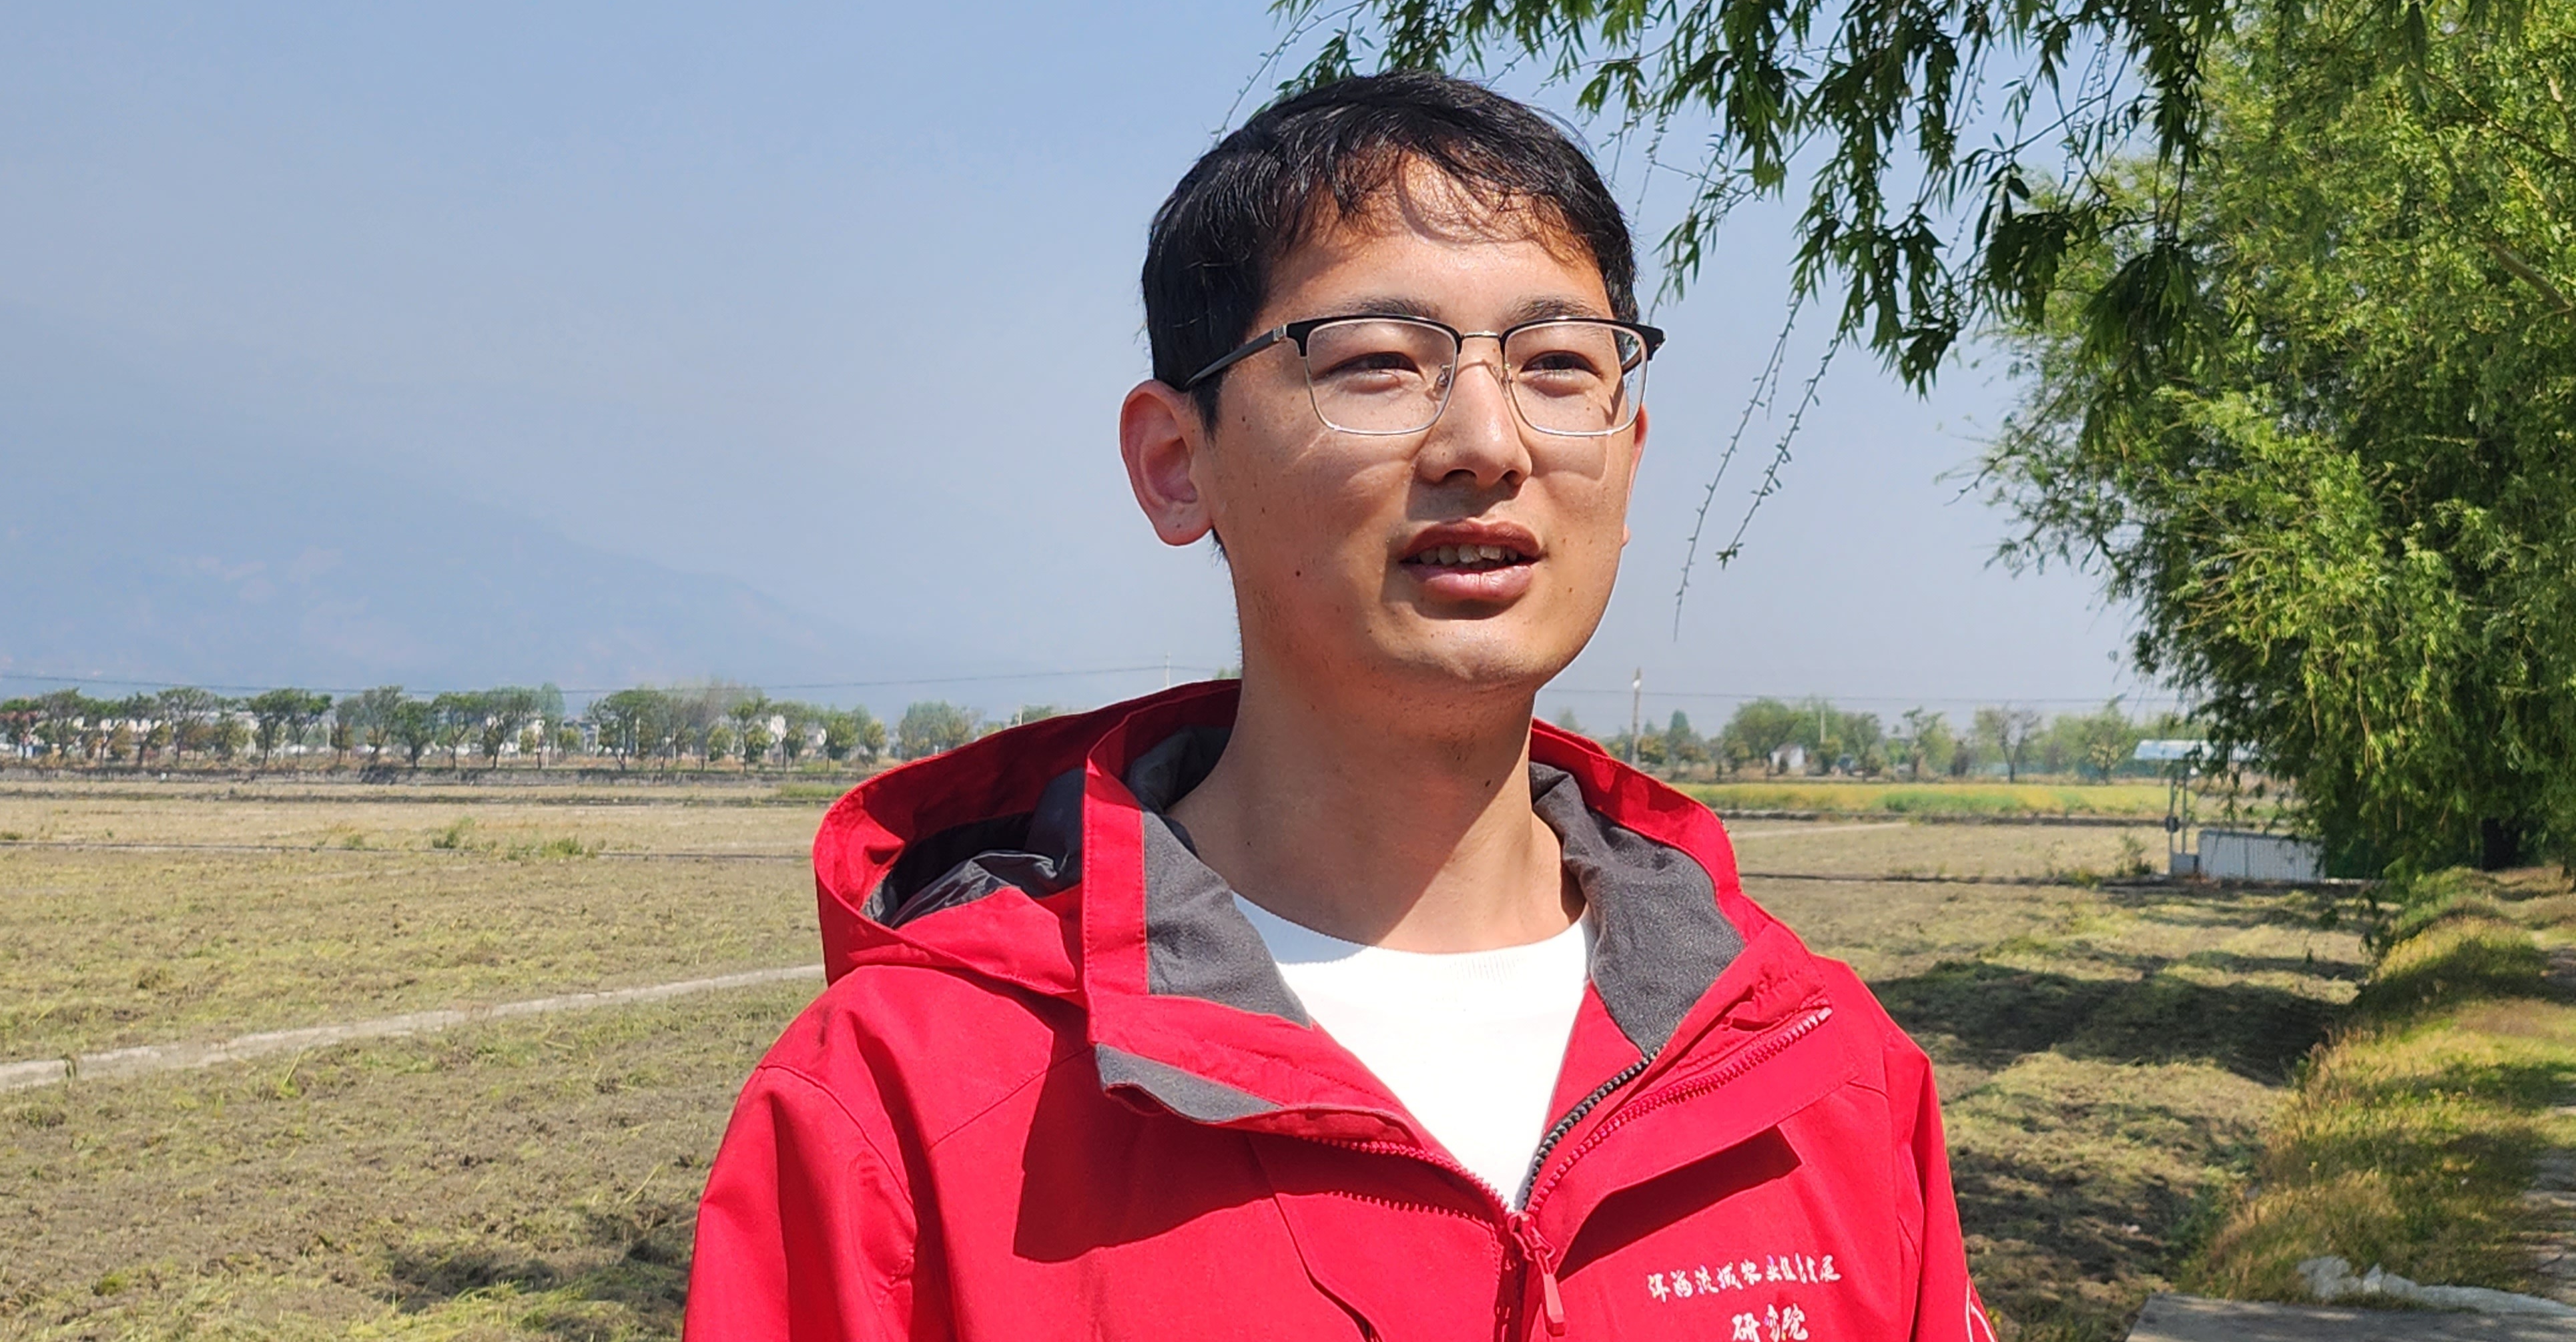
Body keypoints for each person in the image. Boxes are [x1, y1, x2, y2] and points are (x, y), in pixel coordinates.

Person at [685, 72, 1993, 1341]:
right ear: (1175, 463)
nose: (1488, 442)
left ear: (1627, 456)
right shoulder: (903, 1109)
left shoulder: (1820, 1071)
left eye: (1555, 364)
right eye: (1376, 361)